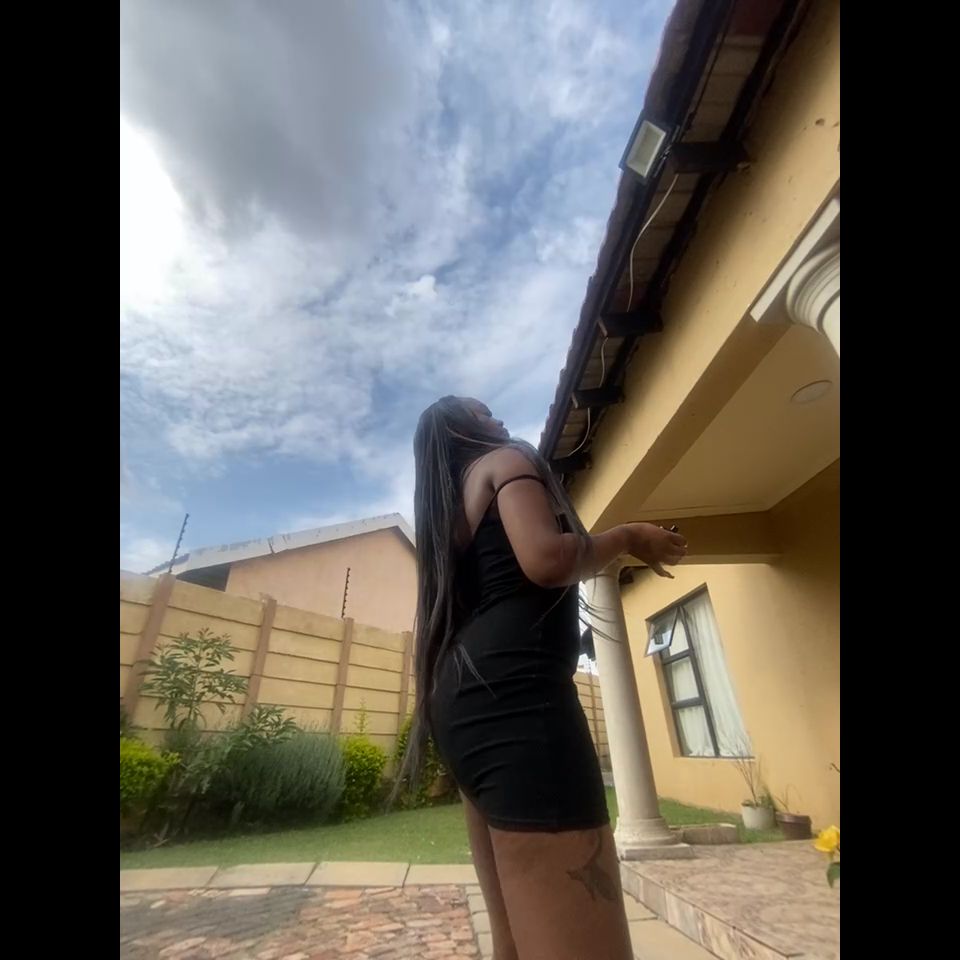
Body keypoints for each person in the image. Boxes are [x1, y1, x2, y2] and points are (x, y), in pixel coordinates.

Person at [402, 396, 687, 960]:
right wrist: (629, 537)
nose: (497, 419)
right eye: (482, 413)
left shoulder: (450, 510)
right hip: (518, 701)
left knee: (514, 938)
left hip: (467, 703)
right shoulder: (506, 461)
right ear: (461, 430)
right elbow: (547, 559)